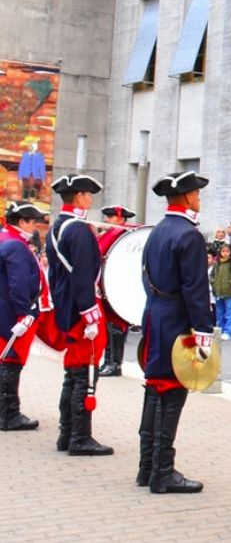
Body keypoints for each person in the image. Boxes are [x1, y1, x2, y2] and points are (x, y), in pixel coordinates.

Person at [138, 170, 214, 494]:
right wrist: (203, 332)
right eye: (196, 193)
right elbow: (195, 288)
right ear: (186, 197)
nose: (199, 198)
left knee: (154, 389)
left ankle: (147, 466)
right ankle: (163, 472)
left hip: (155, 314)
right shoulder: (189, 235)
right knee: (171, 392)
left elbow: (145, 275)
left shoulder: (157, 231)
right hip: (177, 321)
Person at [46, 174, 113, 456]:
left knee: (72, 374)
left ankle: (66, 434)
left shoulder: (57, 227)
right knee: (85, 374)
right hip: (82, 310)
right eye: (88, 194)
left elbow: (56, 275)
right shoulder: (80, 230)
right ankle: (80, 438)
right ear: (80, 197)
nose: (91, 199)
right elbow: (83, 275)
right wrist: (90, 315)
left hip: (67, 308)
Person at [0, 201, 46, 431]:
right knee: (11, 362)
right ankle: (9, 415)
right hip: (11, 314)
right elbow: (19, 285)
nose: (35, 226)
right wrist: (24, 314)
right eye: (32, 221)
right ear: (21, 222)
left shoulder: (5, 238)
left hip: (4, 310)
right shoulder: (16, 246)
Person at [97, 204, 138, 377]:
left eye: (111, 217)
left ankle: (114, 364)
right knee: (108, 326)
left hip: (119, 287)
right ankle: (108, 362)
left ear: (120, 218)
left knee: (115, 326)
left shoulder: (125, 235)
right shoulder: (109, 234)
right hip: (106, 286)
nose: (107, 220)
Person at [210, 243, 231, 341]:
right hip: (218, 292)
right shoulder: (217, 264)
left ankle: (228, 332)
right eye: (223, 251)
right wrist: (214, 283)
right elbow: (212, 276)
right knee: (220, 313)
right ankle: (220, 330)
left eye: (227, 251)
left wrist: (230, 283)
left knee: (229, 313)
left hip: (230, 293)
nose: (225, 253)